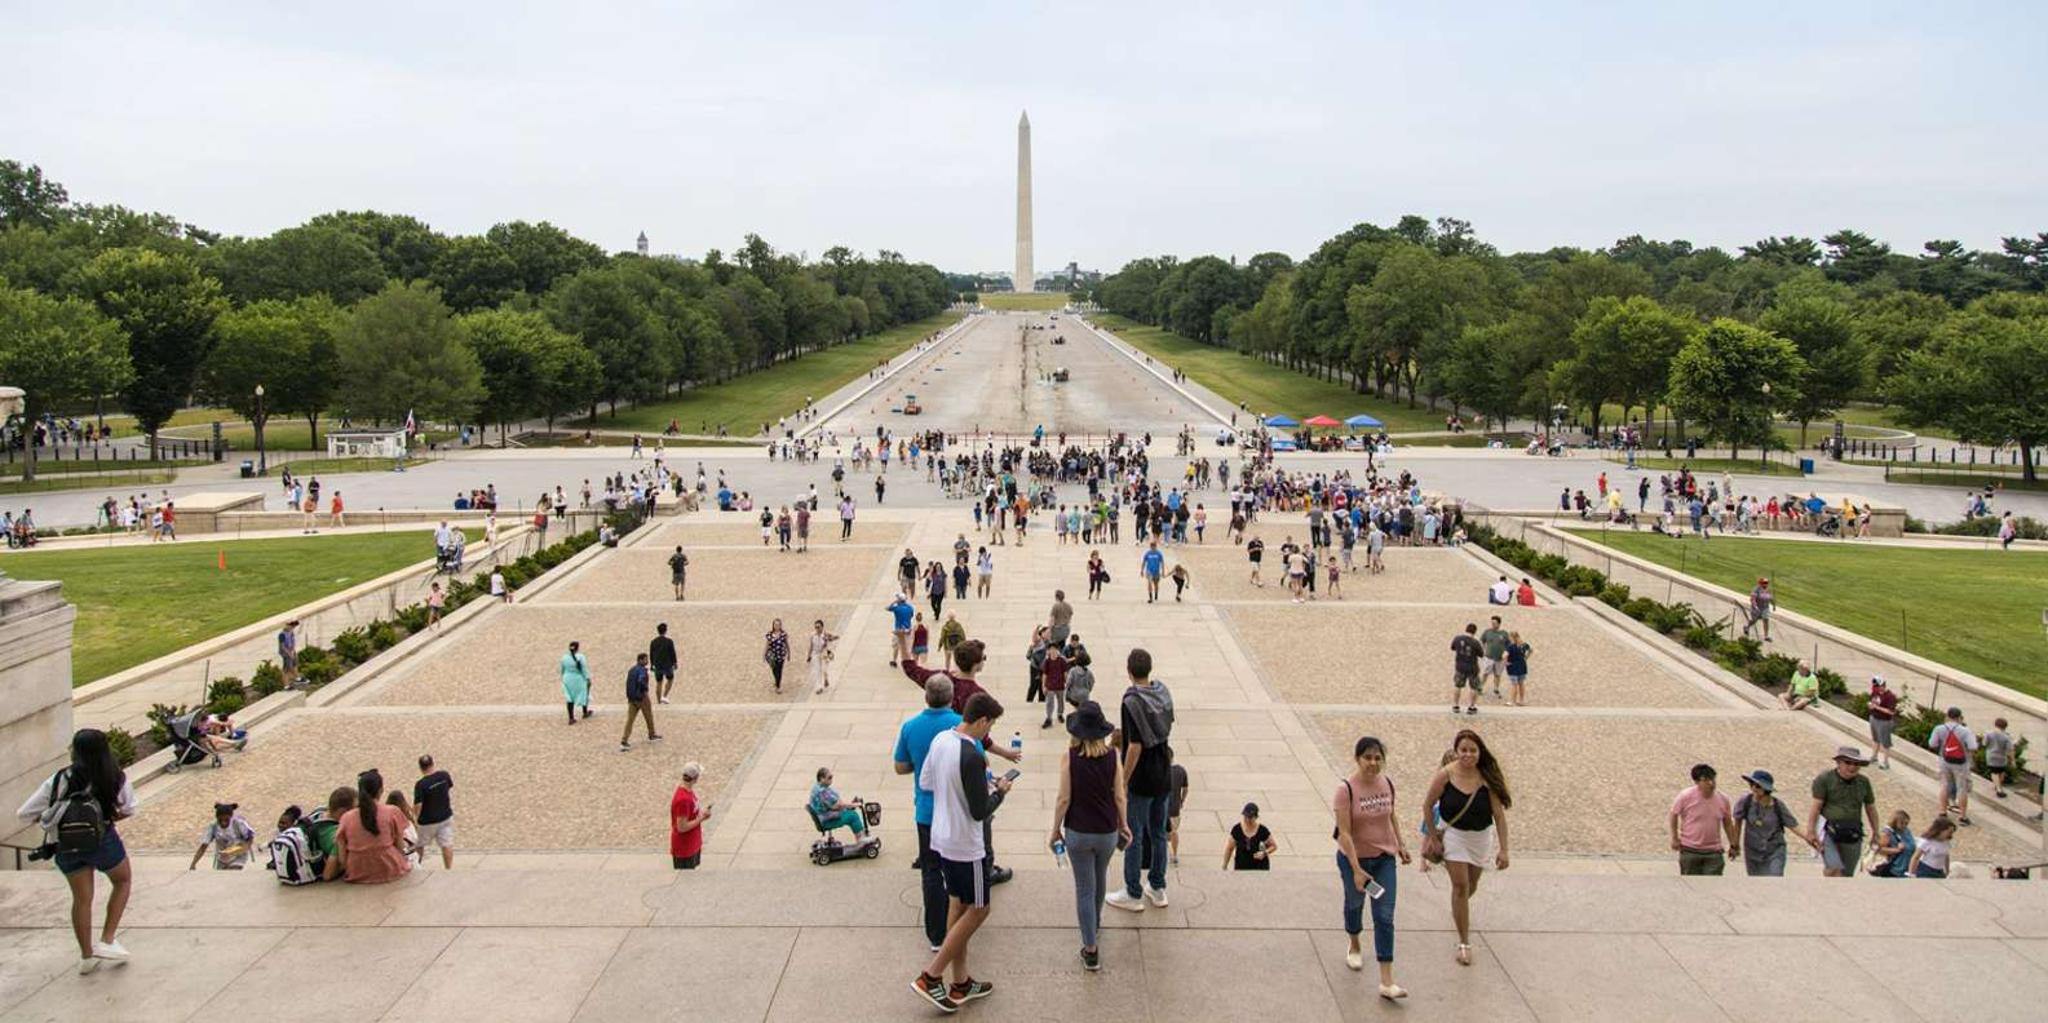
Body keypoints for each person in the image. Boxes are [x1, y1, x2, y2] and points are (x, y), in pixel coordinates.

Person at [911, 691, 1012, 1012]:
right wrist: (1001, 791)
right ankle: (931, 975)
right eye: (990, 724)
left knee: (959, 903)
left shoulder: (942, 740)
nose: (989, 732)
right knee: (980, 909)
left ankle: (961, 981)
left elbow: (925, 781)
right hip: (968, 845)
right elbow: (980, 810)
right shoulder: (971, 755)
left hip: (941, 836)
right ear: (982, 721)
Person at [15, 729, 136, 974]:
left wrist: (55, 818)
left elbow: (24, 813)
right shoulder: (114, 777)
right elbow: (130, 808)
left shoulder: (59, 779)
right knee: (122, 881)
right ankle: (108, 939)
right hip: (102, 839)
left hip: (66, 844)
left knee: (81, 899)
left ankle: (86, 956)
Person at [1049, 699, 1127, 972]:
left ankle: (1090, 948)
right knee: (1101, 877)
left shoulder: (1070, 758)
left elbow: (1063, 798)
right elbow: (1119, 795)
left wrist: (1054, 829)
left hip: (1078, 831)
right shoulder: (1113, 756)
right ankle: (1094, 923)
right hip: (1106, 830)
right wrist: (1124, 824)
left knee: (1084, 886)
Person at [1422, 729, 1511, 967]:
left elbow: (1499, 817)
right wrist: (1433, 837)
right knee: (1460, 886)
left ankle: (1458, 908)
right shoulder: (1446, 775)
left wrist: (1504, 850)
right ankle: (1464, 943)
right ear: (1456, 751)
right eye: (1463, 750)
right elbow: (1428, 805)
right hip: (1454, 836)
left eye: (1472, 750)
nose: (1468, 754)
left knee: (1471, 886)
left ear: (1480, 753)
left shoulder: (1486, 779)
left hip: (1480, 838)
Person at [1334, 735, 1409, 998]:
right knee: (1354, 904)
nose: (1373, 763)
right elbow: (1344, 832)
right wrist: (1355, 868)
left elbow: (1391, 815)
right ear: (1357, 759)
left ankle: (1386, 981)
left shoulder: (1387, 783)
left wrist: (1400, 844)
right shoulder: (1346, 790)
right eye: (1367, 757)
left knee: (1385, 916)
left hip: (1383, 858)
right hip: (1355, 859)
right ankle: (1354, 942)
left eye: (1378, 758)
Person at [896, 676, 964, 951]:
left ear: (926, 697)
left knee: (931, 872)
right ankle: (958, 925)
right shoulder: (960, 724)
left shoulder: (910, 727)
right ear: (951, 697)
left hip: (926, 811)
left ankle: (936, 934)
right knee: (958, 870)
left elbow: (900, 767)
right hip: (956, 810)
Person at [1107, 648, 1175, 913]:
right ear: (1149, 669)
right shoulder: (1162, 691)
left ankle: (1133, 891)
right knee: (1159, 833)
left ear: (1128, 671)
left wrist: (1123, 779)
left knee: (1132, 833)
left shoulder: (1131, 701)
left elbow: (1134, 745)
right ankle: (1157, 887)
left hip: (1142, 776)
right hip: (1163, 770)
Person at [1807, 746, 1881, 877]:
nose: (1852, 767)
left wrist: (1876, 831)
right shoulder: (1825, 779)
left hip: (1853, 832)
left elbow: (1870, 807)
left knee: (1847, 874)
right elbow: (1816, 806)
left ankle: (1836, 895)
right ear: (1839, 762)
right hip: (1829, 831)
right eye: (1848, 763)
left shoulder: (1863, 782)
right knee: (1833, 867)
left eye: (1856, 764)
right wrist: (1811, 831)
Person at [1730, 770, 1814, 877]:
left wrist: (1810, 839)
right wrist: (1735, 846)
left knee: (1775, 880)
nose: (1753, 788)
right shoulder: (1745, 802)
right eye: (1751, 784)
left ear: (1766, 789)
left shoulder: (1778, 806)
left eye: (1758, 786)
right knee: (1757, 885)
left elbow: (1793, 826)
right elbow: (1737, 824)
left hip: (1775, 851)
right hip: (1753, 852)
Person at [338, 769, 412, 884]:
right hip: (389, 867)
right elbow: (400, 846)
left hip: (357, 870)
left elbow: (342, 858)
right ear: (381, 790)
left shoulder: (346, 817)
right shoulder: (392, 811)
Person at [1669, 764, 1738, 875]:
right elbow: (1673, 814)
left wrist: (1733, 845)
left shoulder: (1723, 799)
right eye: (1705, 780)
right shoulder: (1685, 796)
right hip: (1690, 850)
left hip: (1714, 852)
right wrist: (1675, 838)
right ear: (1697, 782)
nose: (1711, 783)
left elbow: (1728, 823)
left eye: (1712, 779)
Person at [1927, 707, 1977, 825]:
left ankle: (1943, 811)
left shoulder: (1939, 728)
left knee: (1944, 786)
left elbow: (1932, 743)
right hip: (1961, 763)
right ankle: (1962, 816)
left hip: (1944, 761)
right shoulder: (1965, 731)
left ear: (1947, 716)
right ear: (1959, 718)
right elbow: (1973, 746)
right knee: (1961, 788)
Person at [413, 755, 456, 869]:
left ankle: (417, 866)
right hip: (445, 816)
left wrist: (416, 817)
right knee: (446, 844)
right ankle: (448, 868)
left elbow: (418, 805)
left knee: (420, 844)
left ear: (421, 768)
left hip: (427, 821)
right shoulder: (444, 775)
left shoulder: (421, 784)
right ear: (432, 764)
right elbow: (449, 787)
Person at [189, 802, 256, 870]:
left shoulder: (238, 823)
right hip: (222, 858)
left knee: (231, 872)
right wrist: (193, 864)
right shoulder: (213, 826)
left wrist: (242, 849)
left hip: (238, 856)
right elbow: (203, 846)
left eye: (226, 820)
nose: (223, 823)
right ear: (217, 818)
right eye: (220, 820)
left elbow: (250, 838)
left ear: (231, 817)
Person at [670, 762, 710, 869]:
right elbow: (682, 827)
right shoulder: (683, 799)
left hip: (692, 843)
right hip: (685, 847)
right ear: (695, 778)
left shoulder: (688, 792)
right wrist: (702, 818)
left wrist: (701, 814)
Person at [809, 767, 869, 836]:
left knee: (849, 812)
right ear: (822, 779)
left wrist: (849, 805)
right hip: (827, 820)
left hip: (822, 816)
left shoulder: (817, 786)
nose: (831, 780)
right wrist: (855, 805)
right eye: (829, 777)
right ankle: (861, 839)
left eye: (832, 777)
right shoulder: (823, 792)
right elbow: (837, 805)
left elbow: (834, 804)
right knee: (853, 816)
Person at [620, 652, 662, 750]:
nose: (647, 661)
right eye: (645, 659)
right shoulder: (642, 670)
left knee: (630, 720)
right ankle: (652, 734)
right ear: (641, 660)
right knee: (649, 716)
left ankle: (624, 739)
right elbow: (641, 681)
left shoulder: (631, 670)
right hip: (642, 697)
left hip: (632, 698)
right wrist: (645, 689)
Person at [1225, 802, 1276, 870]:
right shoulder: (1237, 830)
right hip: (1241, 868)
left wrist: (1264, 853)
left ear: (1256, 817)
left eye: (1250, 817)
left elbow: (1273, 846)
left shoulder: (1263, 830)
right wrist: (1225, 865)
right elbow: (1229, 848)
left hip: (1260, 868)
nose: (1247, 820)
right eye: (1246, 817)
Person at [1450, 623, 1484, 716]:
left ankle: (1456, 705)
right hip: (1472, 667)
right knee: (1474, 687)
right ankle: (1471, 707)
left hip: (1460, 666)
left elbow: (1452, 648)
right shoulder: (1475, 642)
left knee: (1457, 686)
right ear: (1474, 632)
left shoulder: (1457, 639)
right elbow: (1481, 654)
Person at [1872, 809, 1915, 877]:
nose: (1904, 826)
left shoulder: (1907, 831)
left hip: (1906, 870)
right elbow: (1880, 849)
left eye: (1906, 823)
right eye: (1902, 823)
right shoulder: (1888, 833)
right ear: (1895, 822)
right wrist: (1897, 850)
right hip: (1894, 870)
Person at [1866, 676, 1897, 769]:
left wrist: (1876, 707)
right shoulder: (1875, 693)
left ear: (1883, 685)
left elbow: (1891, 711)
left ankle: (1886, 762)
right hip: (1874, 718)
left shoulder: (1890, 696)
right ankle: (1874, 756)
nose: (1876, 688)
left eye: (1878, 686)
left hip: (1884, 721)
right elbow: (1872, 702)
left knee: (1885, 742)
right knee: (1875, 739)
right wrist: (1870, 706)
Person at [560, 640, 592, 724]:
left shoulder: (564, 658)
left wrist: (563, 677)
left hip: (567, 678)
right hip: (578, 678)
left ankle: (571, 717)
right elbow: (584, 669)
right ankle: (585, 712)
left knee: (569, 697)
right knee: (584, 693)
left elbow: (562, 669)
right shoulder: (581, 657)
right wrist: (587, 678)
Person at [1479, 616, 1510, 701]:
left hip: (1500, 658)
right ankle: (1480, 687)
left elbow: (1508, 645)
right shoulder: (1487, 632)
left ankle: (1496, 688)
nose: (1493, 624)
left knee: (1497, 674)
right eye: (1492, 623)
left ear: (1499, 624)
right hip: (1489, 657)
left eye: (1495, 623)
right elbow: (1482, 641)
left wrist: (1506, 654)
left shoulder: (1504, 633)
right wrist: (1483, 650)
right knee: (1485, 673)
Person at [806, 618, 839, 694]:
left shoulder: (825, 634)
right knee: (817, 670)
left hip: (824, 654)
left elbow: (832, 638)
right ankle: (819, 687)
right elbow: (811, 646)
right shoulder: (812, 635)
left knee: (824, 669)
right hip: (815, 654)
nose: (817, 629)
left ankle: (826, 678)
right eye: (816, 627)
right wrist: (809, 655)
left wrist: (834, 637)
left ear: (822, 627)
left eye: (818, 627)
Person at [650, 623, 679, 704]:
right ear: (665, 631)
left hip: (657, 665)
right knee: (670, 679)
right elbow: (672, 653)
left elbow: (651, 653)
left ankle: (659, 701)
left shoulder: (653, 642)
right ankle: (664, 696)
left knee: (659, 682)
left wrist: (652, 664)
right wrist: (675, 663)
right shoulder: (669, 641)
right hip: (667, 665)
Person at [1986, 717, 2014, 799]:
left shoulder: (1989, 734)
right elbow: (2010, 749)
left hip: (1991, 755)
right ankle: (1998, 786)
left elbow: (1985, 743)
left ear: (1995, 724)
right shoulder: (2007, 737)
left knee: (1994, 772)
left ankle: (1998, 789)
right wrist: (2012, 760)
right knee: (2001, 772)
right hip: (2002, 757)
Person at [886, 593, 914, 667]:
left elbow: (887, 608)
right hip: (908, 629)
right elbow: (911, 616)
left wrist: (894, 602)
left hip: (898, 629)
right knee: (907, 646)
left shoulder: (897, 608)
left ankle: (894, 661)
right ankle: (909, 661)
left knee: (896, 646)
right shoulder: (910, 607)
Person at [764, 619, 791, 693]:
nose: (777, 626)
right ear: (773, 625)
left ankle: (778, 686)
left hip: (780, 655)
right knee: (774, 670)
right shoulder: (770, 634)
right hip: (772, 655)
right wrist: (764, 654)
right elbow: (767, 645)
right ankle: (776, 681)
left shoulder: (783, 634)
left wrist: (789, 653)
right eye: (775, 625)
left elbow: (786, 644)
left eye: (778, 625)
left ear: (780, 625)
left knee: (779, 670)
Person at [278, 619, 301, 689]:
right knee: (287, 669)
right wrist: (289, 653)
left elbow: (293, 642)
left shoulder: (291, 632)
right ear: (287, 625)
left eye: (293, 626)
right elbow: (282, 646)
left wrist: (293, 651)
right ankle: (286, 685)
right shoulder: (282, 635)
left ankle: (297, 678)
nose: (292, 628)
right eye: (291, 626)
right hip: (285, 652)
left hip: (291, 650)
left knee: (295, 664)